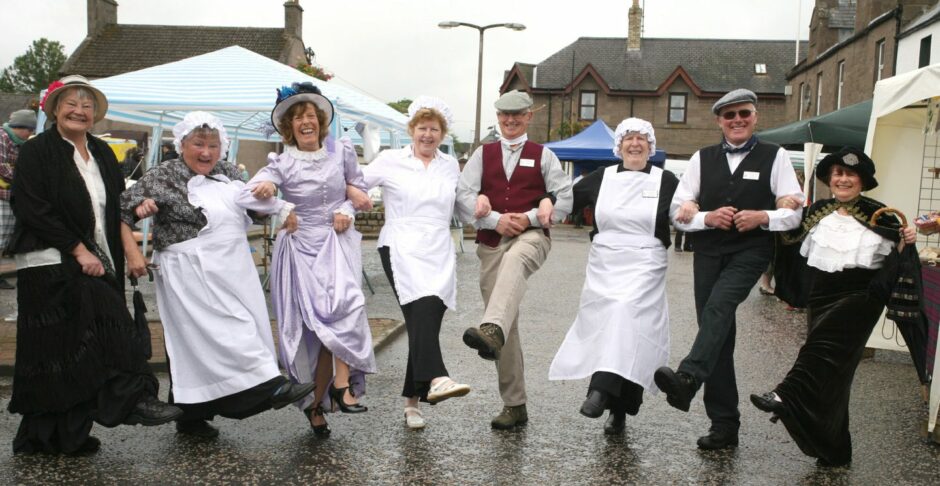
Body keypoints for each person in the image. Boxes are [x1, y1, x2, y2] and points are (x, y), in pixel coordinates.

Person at [8, 75, 182, 455]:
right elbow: (31, 207)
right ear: (54, 109)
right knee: (83, 331)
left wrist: (134, 234)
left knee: (71, 350)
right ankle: (133, 397)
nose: (79, 111)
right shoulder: (38, 151)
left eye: (87, 106)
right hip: (48, 260)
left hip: (97, 256)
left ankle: (58, 438)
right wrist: (77, 249)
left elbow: (115, 208)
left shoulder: (103, 152)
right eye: (71, 103)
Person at [121, 111, 315, 439]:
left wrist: (272, 204)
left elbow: (251, 207)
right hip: (188, 268)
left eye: (213, 145)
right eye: (198, 144)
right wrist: (134, 253)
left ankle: (192, 415)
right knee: (215, 333)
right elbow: (123, 211)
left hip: (232, 262)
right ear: (182, 144)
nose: (206, 152)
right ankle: (271, 387)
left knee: (241, 325)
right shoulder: (163, 175)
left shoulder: (228, 170)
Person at [654, 88, 805, 450]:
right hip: (707, 253)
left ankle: (688, 376)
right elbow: (678, 212)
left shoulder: (776, 156)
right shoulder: (701, 158)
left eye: (745, 114)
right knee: (717, 333)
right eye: (730, 115)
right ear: (719, 120)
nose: (737, 120)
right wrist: (708, 217)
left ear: (755, 117)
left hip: (751, 251)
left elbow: (794, 210)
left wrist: (763, 216)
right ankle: (724, 425)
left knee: (719, 308)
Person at [750, 147, 916, 467]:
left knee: (817, 347)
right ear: (829, 179)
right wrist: (782, 207)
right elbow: (786, 241)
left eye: (850, 175)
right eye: (837, 174)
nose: (842, 180)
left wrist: (906, 239)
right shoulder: (817, 211)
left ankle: (785, 394)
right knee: (834, 375)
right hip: (822, 295)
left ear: (863, 181)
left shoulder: (882, 214)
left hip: (862, 296)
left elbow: (899, 256)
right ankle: (835, 448)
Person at [247, 83, 376, 437]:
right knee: (316, 334)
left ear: (320, 121)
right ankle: (317, 404)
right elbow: (249, 196)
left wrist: (347, 209)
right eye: (298, 117)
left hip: (336, 242)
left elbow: (360, 192)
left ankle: (342, 384)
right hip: (301, 248)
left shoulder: (341, 152)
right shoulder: (281, 161)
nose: (306, 122)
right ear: (290, 126)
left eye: (310, 116)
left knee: (347, 307)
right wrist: (280, 204)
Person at [548, 118, 678, 436]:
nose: (635, 144)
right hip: (605, 262)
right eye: (628, 139)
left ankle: (599, 390)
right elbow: (565, 203)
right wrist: (541, 206)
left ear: (652, 145)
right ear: (618, 147)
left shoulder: (668, 181)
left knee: (625, 312)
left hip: (646, 261)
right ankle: (621, 409)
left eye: (642, 139)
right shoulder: (599, 178)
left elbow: (688, 211)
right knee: (619, 328)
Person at [457, 89, 573, 429]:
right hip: (492, 240)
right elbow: (463, 197)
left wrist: (532, 217)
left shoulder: (543, 155)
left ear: (528, 117)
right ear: (498, 117)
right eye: (505, 115)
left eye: (517, 115)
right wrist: (494, 219)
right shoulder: (483, 154)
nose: (510, 120)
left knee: (514, 264)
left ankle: (490, 327)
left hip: (530, 237)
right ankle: (515, 404)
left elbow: (565, 197)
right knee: (505, 324)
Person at [357, 96, 471, 430]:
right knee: (420, 312)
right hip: (401, 245)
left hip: (438, 248)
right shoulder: (390, 160)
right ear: (412, 129)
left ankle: (411, 402)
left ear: (442, 133)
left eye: (434, 129)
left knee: (426, 322)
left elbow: (462, 207)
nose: (427, 135)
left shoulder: (449, 165)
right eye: (422, 128)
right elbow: (355, 184)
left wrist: (485, 212)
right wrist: (346, 206)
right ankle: (437, 377)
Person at [0, 109, 37, 289]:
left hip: (9, 196)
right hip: (1, 196)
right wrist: (23, 179)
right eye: (29, 130)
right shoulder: (2, 138)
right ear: (19, 126)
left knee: (3, 238)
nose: (30, 134)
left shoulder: (19, 143)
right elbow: (1, 166)